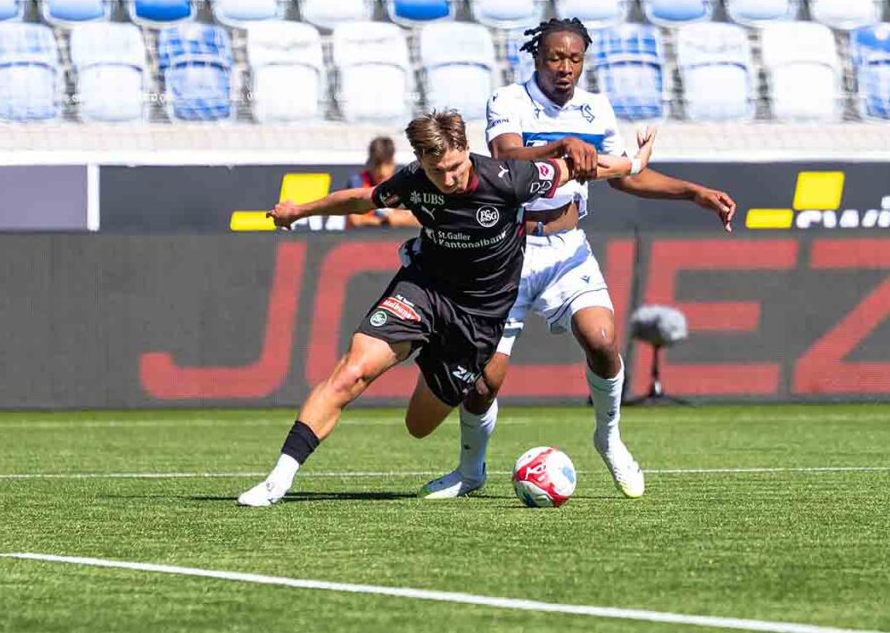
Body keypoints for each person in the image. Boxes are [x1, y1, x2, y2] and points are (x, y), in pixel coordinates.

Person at [237, 109, 657, 507]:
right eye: (438, 170)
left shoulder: (509, 179)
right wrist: (298, 211)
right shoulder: (415, 181)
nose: (449, 177)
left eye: (456, 166)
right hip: (423, 290)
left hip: (478, 316)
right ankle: (279, 480)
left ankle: (467, 444)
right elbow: (364, 199)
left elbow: (582, 168)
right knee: (352, 371)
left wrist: (635, 164)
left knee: (418, 426)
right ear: (420, 159)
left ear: (466, 150)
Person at [420, 18, 737, 501]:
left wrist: (693, 192)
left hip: (568, 250)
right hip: (507, 253)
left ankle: (608, 437)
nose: (564, 68)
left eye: (574, 59)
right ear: (536, 58)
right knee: (484, 383)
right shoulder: (509, 100)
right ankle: (471, 470)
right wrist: (564, 147)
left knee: (603, 340)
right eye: (554, 58)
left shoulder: (597, 109)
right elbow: (508, 157)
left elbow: (622, 175)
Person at [346, 136, 419, 229]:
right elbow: (354, 221)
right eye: (377, 165)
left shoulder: (406, 182)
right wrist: (385, 222)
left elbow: (421, 220)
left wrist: (400, 220)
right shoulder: (358, 182)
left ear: (393, 162)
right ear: (369, 162)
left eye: (387, 164)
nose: (382, 172)